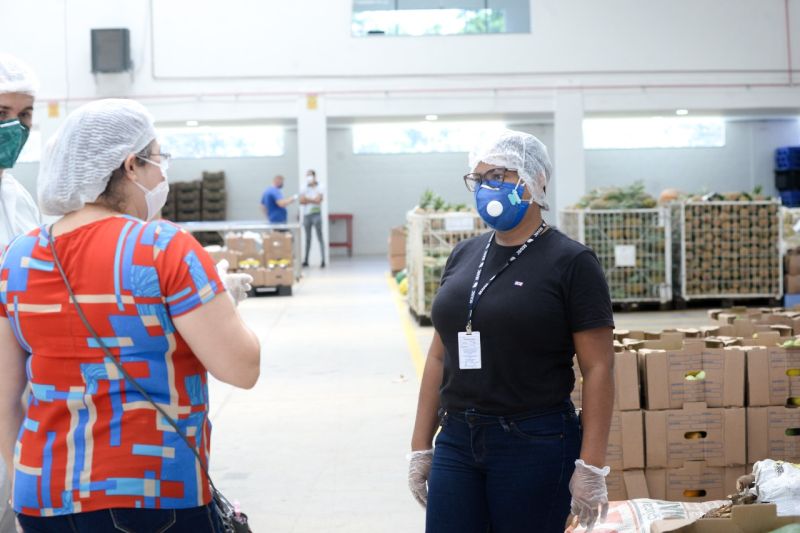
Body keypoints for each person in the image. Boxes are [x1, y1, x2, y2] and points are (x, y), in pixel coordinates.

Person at [0, 99, 261, 532]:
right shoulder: (164, 247)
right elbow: (242, 367)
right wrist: (222, 300)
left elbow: (5, 397)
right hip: (150, 494)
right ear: (130, 166)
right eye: (158, 160)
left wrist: (27, 479)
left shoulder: (19, 257)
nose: (163, 174)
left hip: (41, 497)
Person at [408, 130, 615, 533]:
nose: (487, 188)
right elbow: (439, 354)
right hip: (456, 437)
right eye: (479, 179)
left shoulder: (572, 262)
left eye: (500, 176)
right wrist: (420, 445)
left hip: (533, 440)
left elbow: (599, 368)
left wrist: (590, 465)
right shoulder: (464, 254)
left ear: (535, 181)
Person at [0, 53, 42, 533]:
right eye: (1, 114)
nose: (16, 128)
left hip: (18, 394)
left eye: (24, 115)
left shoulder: (15, 195)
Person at [300, 169, 325, 268]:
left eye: (310, 175)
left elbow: (318, 200)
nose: (308, 177)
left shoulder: (320, 186)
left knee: (320, 237)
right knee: (307, 238)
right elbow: (301, 201)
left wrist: (307, 199)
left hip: (316, 214)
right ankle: (306, 260)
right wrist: (313, 199)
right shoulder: (304, 187)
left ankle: (323, 260)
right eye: (307, 176)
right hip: (307, 215)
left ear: (314, 176)